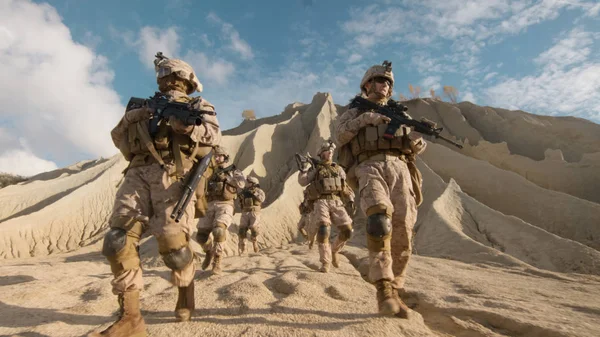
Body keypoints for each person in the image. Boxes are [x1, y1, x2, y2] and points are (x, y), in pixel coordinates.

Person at [90, 53, 221, 337]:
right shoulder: (143, 105)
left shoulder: (199, 105)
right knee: (117, 239)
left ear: (186, 80)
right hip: (137, 173)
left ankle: (186, 287)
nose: (166, 80)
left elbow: (214, 137)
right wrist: (129, 119)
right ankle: (131, 317)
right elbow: (118, 139)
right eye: (163, 75)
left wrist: (188, 127)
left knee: (173, 246)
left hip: (173, 175)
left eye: (172, 75)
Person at [334, 61, 427, 318]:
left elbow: (415, 147)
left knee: (403, 231)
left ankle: (396, 289)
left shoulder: (401, 114)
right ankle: (383, 289)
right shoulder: (354, 111)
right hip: (369, 165)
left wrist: (418, 136)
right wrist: (365, 119)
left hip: (400, 169)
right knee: (378, 218)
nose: (384, 85)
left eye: (388, 82)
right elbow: (339, 136)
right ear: (367, 85)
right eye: (379, 80)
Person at [297, 141, 354, 273]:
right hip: (320, 202)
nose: (330, 154)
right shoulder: (315, 169)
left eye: (331, 152)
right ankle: (325, 262)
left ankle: (335, 250)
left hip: (337, 201)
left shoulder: (338, 169)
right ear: (321, 153)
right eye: (327, 151)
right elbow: (303, 182)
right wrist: (304, 169)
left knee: (347, 231)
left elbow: (344, 185)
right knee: (323, 231)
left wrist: (350, 199)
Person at [196, 145, 245, 274]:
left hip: (225, 204)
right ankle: (208, 252)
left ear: (225, 157)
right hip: (209, 204)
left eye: (219, 156)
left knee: (218, 230)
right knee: (201, 237)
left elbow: (241, 183)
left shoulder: (233, 171)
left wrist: (226, 178)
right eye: (215, 156)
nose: (217, 158)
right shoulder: (208, 171)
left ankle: (217, 261)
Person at [237, 176, 266, 255]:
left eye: (248, 182)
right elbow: (240, 203)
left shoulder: (259, 191)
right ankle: (243, 249)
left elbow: (262, 199)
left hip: (255, 212)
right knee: (242, 230)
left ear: (252, 183)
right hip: (245, 212)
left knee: (254, 229)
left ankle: (255, 244)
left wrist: (254, 193)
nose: (246, 183)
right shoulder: (244, 192)